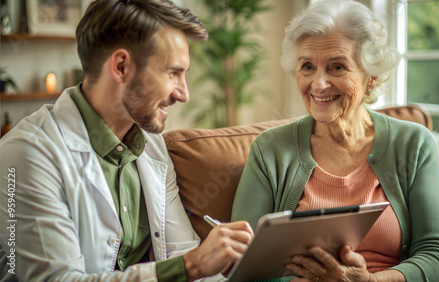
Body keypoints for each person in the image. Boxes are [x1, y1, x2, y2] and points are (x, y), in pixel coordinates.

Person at [0, 0, 253, 281]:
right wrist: (190, 267)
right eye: (173, 73)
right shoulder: (27, 154)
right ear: (121, 66)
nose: (184, 94)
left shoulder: (151, 145)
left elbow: (180, 251)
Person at [231, 0, 439, 281]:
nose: (319, 84)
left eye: (337, 67)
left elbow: (437, 253)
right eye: (307, 66)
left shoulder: (414, 143)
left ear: (371, 78)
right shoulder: (269, 150)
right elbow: (244, 261)